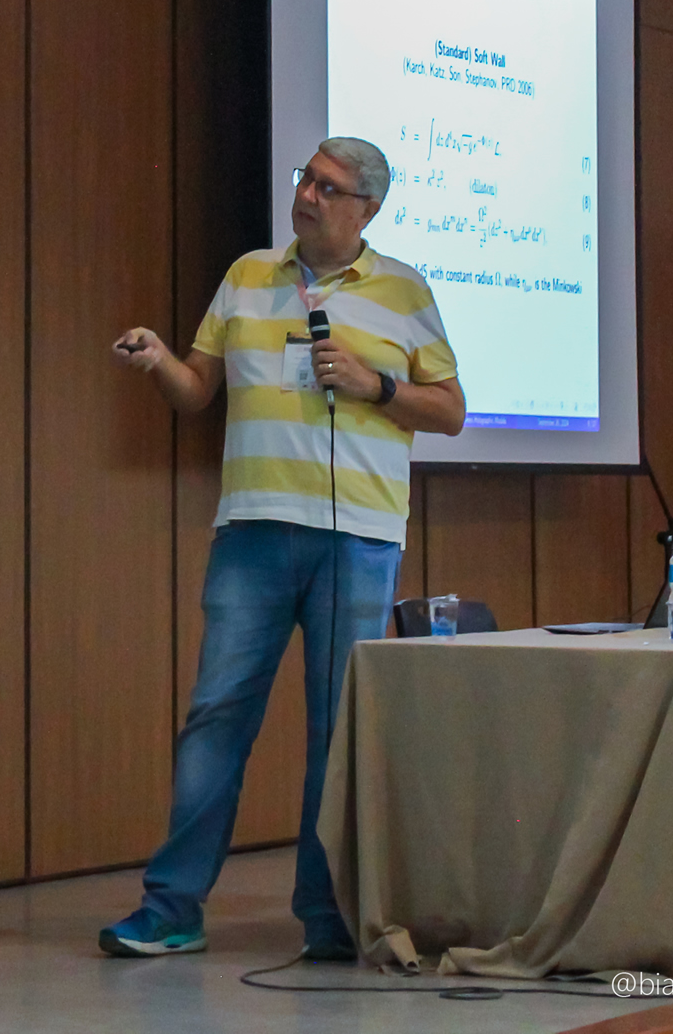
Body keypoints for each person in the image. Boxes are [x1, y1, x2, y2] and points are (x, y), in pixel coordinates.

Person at [98, 136, 464, 961]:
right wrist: (159, 361)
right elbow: (197, 391)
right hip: (254, 528)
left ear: (367, 209)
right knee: (217, 716)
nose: (307, 196)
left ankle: (327, 918)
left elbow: (449, 410)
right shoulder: (248, 276)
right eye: (306, 178)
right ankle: (171, 907)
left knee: (337, 729)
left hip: (358, 537)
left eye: (329, 188)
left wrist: (375, 385)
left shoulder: (404, 289)